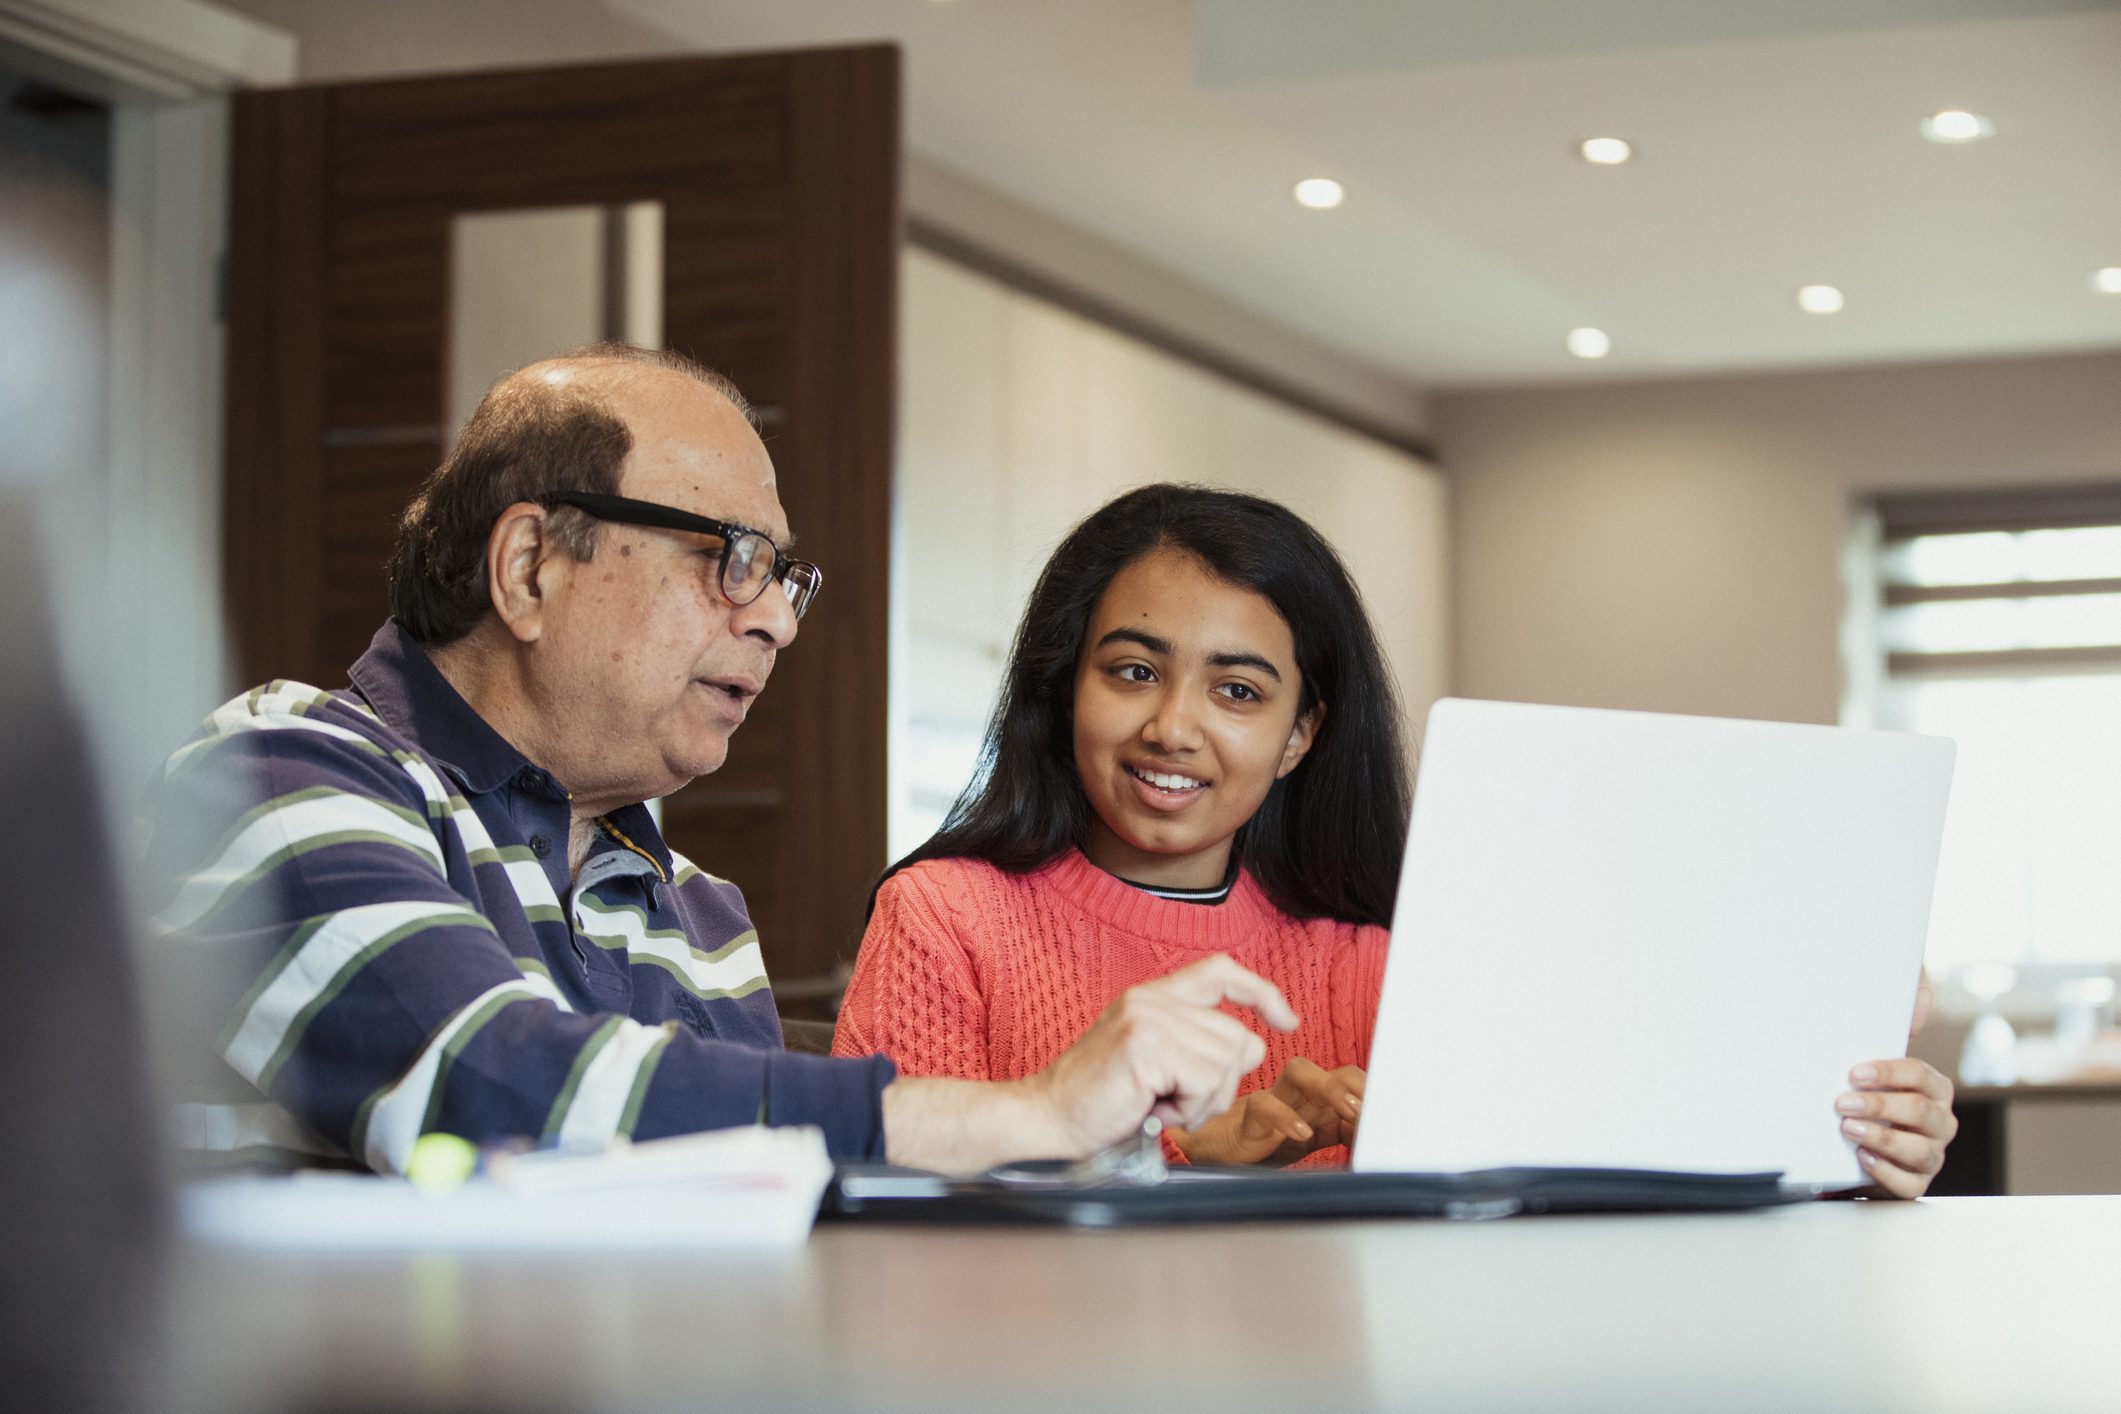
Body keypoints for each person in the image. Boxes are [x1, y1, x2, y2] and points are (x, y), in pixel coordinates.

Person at [144, 345, 1295, 1179]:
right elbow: (492, 1089)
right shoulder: (272, 777)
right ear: (532, 566)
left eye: (784, 579)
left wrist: (1145, 1156)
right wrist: (1033, 1108)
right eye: (733, 559)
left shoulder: (692, 908)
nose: (778, 623)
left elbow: (744, 1190)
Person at [834, 485, 1959, 1194]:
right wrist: (1181, 1163)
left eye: (1238, 689)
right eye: (1132, 670)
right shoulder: (948, 914)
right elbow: (884, 1214)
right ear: (1061, 686)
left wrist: (1850, 1136)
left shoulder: (1380, 954)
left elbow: (1601, 1146)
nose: (1172, 724)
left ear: (1298, 735)